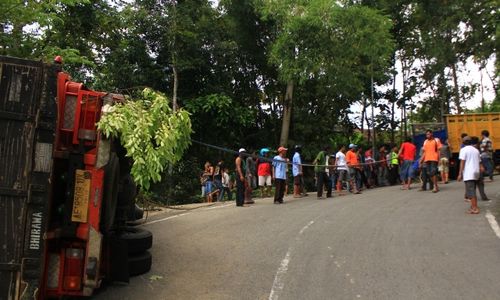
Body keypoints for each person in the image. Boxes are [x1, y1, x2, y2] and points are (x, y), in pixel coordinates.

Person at [457, 136, 482, 214]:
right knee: (473, 190)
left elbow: (462, 162)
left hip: (469, 173)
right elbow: (479, 162)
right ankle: (473, 206)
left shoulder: (463, 150)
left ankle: (475, 208)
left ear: (463, 142)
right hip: (476, 173)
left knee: (471, 191)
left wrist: (460, 174)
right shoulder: (476, 150)